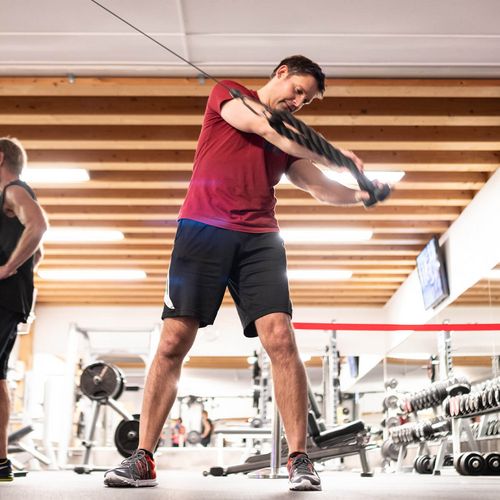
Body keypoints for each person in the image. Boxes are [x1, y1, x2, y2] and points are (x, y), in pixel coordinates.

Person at [104, 55, 378, 491]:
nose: (299, 101)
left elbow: (319, 186)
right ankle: (143, 457)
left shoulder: (289, 140)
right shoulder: (230, 95)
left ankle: (300, 459)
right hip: (202, 230)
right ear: (281, 73)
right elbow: (268, 128)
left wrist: (362, 194)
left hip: (260, 240)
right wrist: (335, 155)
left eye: (307, 100)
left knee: (281, 338)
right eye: (298, 90)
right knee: (174, 339)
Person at [0, 137, 48, 482]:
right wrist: (21, 266)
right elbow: (38, 251)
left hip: (4, 295)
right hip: (11, 297)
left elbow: (39, 226)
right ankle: (1, 461)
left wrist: (7, 268)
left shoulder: (13, 190)